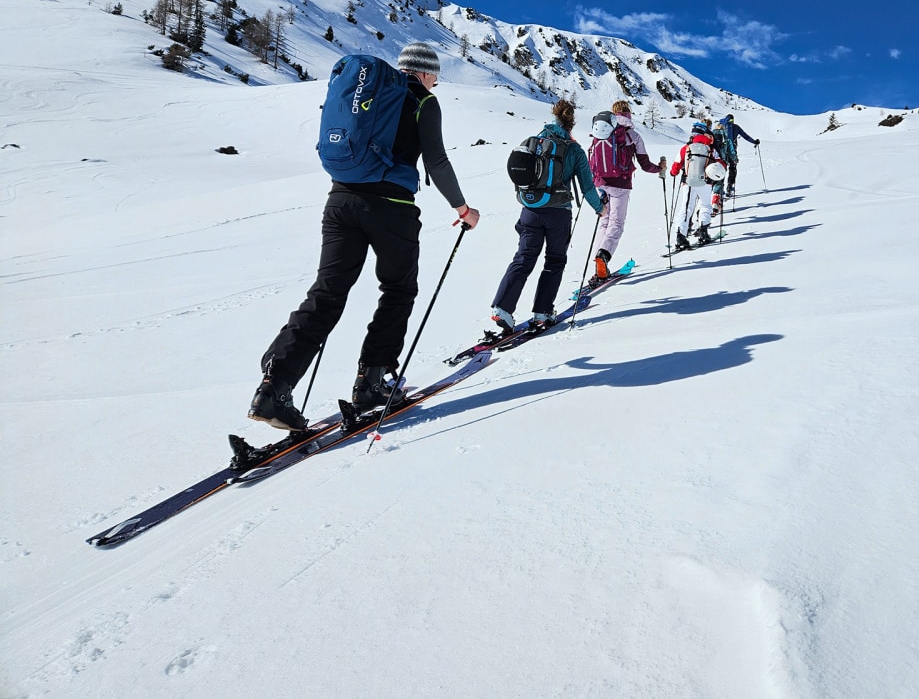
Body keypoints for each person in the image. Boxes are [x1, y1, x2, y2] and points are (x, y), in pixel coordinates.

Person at [247, 42, 480, 431]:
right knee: (398, 289)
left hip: (340, 201)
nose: (435, 84)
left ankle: (274, 387)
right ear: (424, 73)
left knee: (327, 293)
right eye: (435, 78)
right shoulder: (423, 101)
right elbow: (437, 161)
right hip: (391, 208)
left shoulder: (368, 94)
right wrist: (462, 209)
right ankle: (372, 382)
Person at [490, 99, 605, 335]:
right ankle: (542, 313)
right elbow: (587, 186)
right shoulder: (574, 150)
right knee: (554, 261)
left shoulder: (535, 142)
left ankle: (502, 308)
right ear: (571, 123)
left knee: (523, 258)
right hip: (558, 213)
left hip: (530, 210)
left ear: (553, 118)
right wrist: (599, 207)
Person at [588, 100, 665, 283]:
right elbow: (645, 164)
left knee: (604, 222)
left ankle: (599, 264)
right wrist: (659, 168)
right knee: (616, 223)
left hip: (601, 183)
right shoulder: (633, 135)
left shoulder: (602, 131)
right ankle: (603, 256)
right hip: (620, 185)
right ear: (628, 113)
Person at [669, 121, 726, 250]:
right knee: (705, 205)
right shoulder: (710, 147)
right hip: (705, 182)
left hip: (688, 182)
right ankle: (703, 231)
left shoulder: (686, 148)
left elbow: (676, 165)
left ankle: (681, 236)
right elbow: (720, 163)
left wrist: (673, 173)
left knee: (686, 207)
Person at [718, 113, 760, 196]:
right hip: (732, 151)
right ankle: (729, 187)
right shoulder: (736, 127)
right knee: (732, 169)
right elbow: (745, 136)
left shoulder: (721, 126)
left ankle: (719, 189)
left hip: (722, 152)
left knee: (722, 169)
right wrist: (754, 141)